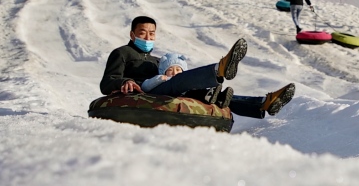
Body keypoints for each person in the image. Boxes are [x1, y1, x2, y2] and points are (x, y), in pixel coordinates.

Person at [100, 16, 295, 119]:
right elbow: (107, 82)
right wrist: (126, 82)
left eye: (152, 34)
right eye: (142, 33)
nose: (147, 38)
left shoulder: (157, 60)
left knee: (212, 96)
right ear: (133, 34)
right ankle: (220, 69)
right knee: (178, 81)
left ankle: (263, 103)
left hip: (163, 91)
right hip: (145, 91)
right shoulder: (122, 53)